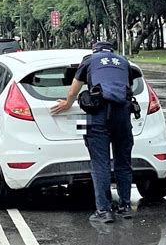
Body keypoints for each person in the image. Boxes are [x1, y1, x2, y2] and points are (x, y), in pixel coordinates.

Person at [50, 41, 134, 223]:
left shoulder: (89, 61)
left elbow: (74, 89)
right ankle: (125, 207)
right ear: (111, 51)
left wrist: (67, 104)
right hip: (123, 114)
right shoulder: (123, 62)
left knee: (100, 163)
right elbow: (128, 87)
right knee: (123, 161)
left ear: (94, 51)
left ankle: (104, 211)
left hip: (96, 115)